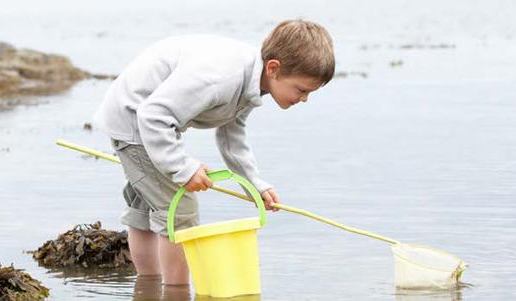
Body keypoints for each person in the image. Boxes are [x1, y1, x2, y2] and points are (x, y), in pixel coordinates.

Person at [92, 19, 335, 285]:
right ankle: (177, 292)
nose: (304, 99)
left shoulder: (254, 81)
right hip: (135, 120)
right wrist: (182, 168)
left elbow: (232, 133)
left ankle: (147, 288)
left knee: (148, 207)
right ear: (274, 68)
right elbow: (153, 115)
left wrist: (254, 185)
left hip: (144, 122)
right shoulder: (220, 78)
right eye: (301, 89)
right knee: (179, 210)